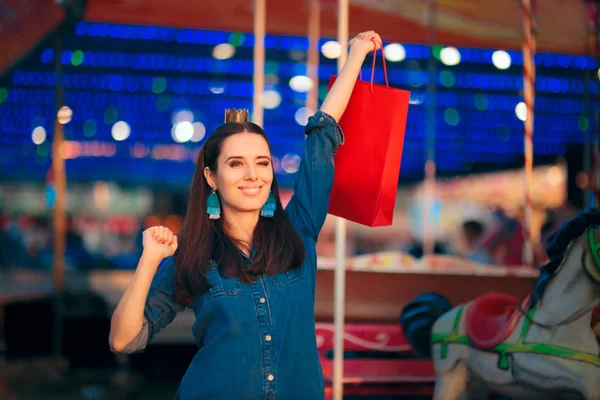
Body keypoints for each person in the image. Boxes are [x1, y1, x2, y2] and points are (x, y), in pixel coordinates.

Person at [109, 31, 383, 400]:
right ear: (211, 176)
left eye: (262, 162)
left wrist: (355, 55)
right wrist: (150, 259)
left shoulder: (299, 230)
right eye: (236, 164)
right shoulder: (192, 253)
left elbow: (322, 132)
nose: (252, 175)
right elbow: (125, 339)